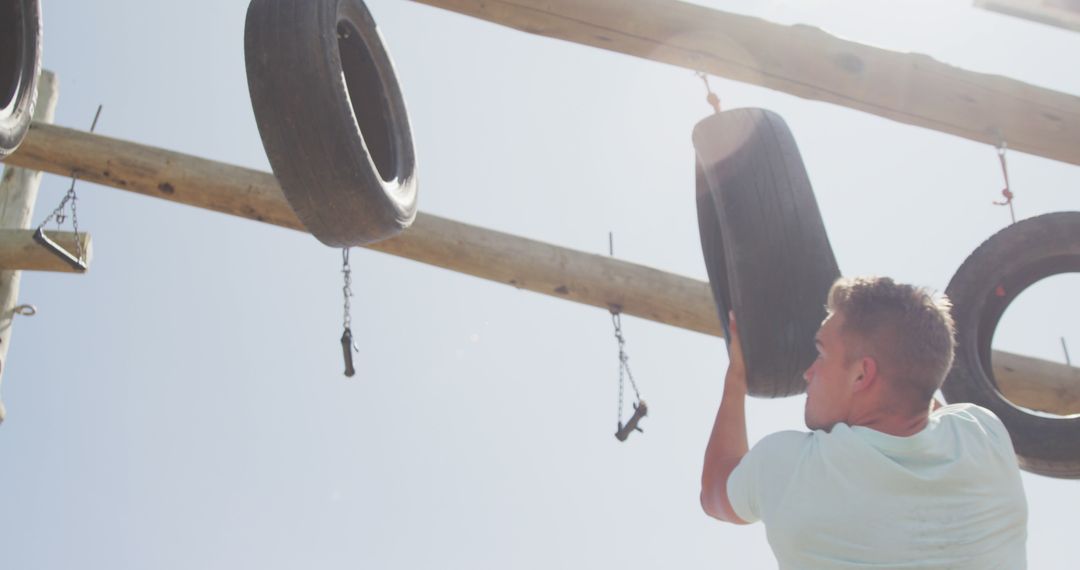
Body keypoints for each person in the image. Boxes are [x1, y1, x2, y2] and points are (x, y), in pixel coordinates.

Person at [700, 276, 1028, 569]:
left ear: (862, 374)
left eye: (821, 353)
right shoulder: (984, 435)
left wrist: (737, 378)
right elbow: (919, 390)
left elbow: (715, 490)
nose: (808, 372)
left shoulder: (789, 468)